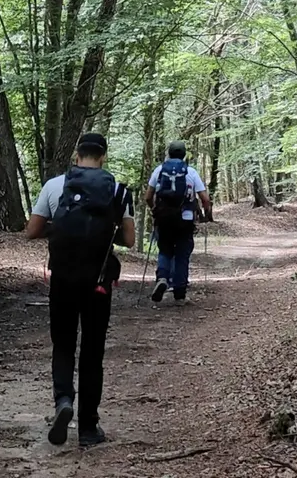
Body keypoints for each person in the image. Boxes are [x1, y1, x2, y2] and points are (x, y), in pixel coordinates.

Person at [25, 132, 134, 449]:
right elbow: (129, 239)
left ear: (76, 155)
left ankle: (62, 400)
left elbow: (31, 231)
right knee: (92, 351)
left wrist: (59, 229)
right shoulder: (115, 189)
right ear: (103, 157)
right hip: (99, 281)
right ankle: (88, 427)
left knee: (62, 343)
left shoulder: (55, 185)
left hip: (62, 279)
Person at [145, 142, 212, 305]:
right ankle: (180, 293)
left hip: (164, 218)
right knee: (182, 253)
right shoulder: (191, 172)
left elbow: (148, 196)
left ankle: (162, 278)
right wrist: (205, 213)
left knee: (165, 249)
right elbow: (205, 198)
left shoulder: (159, 170)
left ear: (168, 153)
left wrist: (155, 209)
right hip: (186, 219)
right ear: (184, 155)